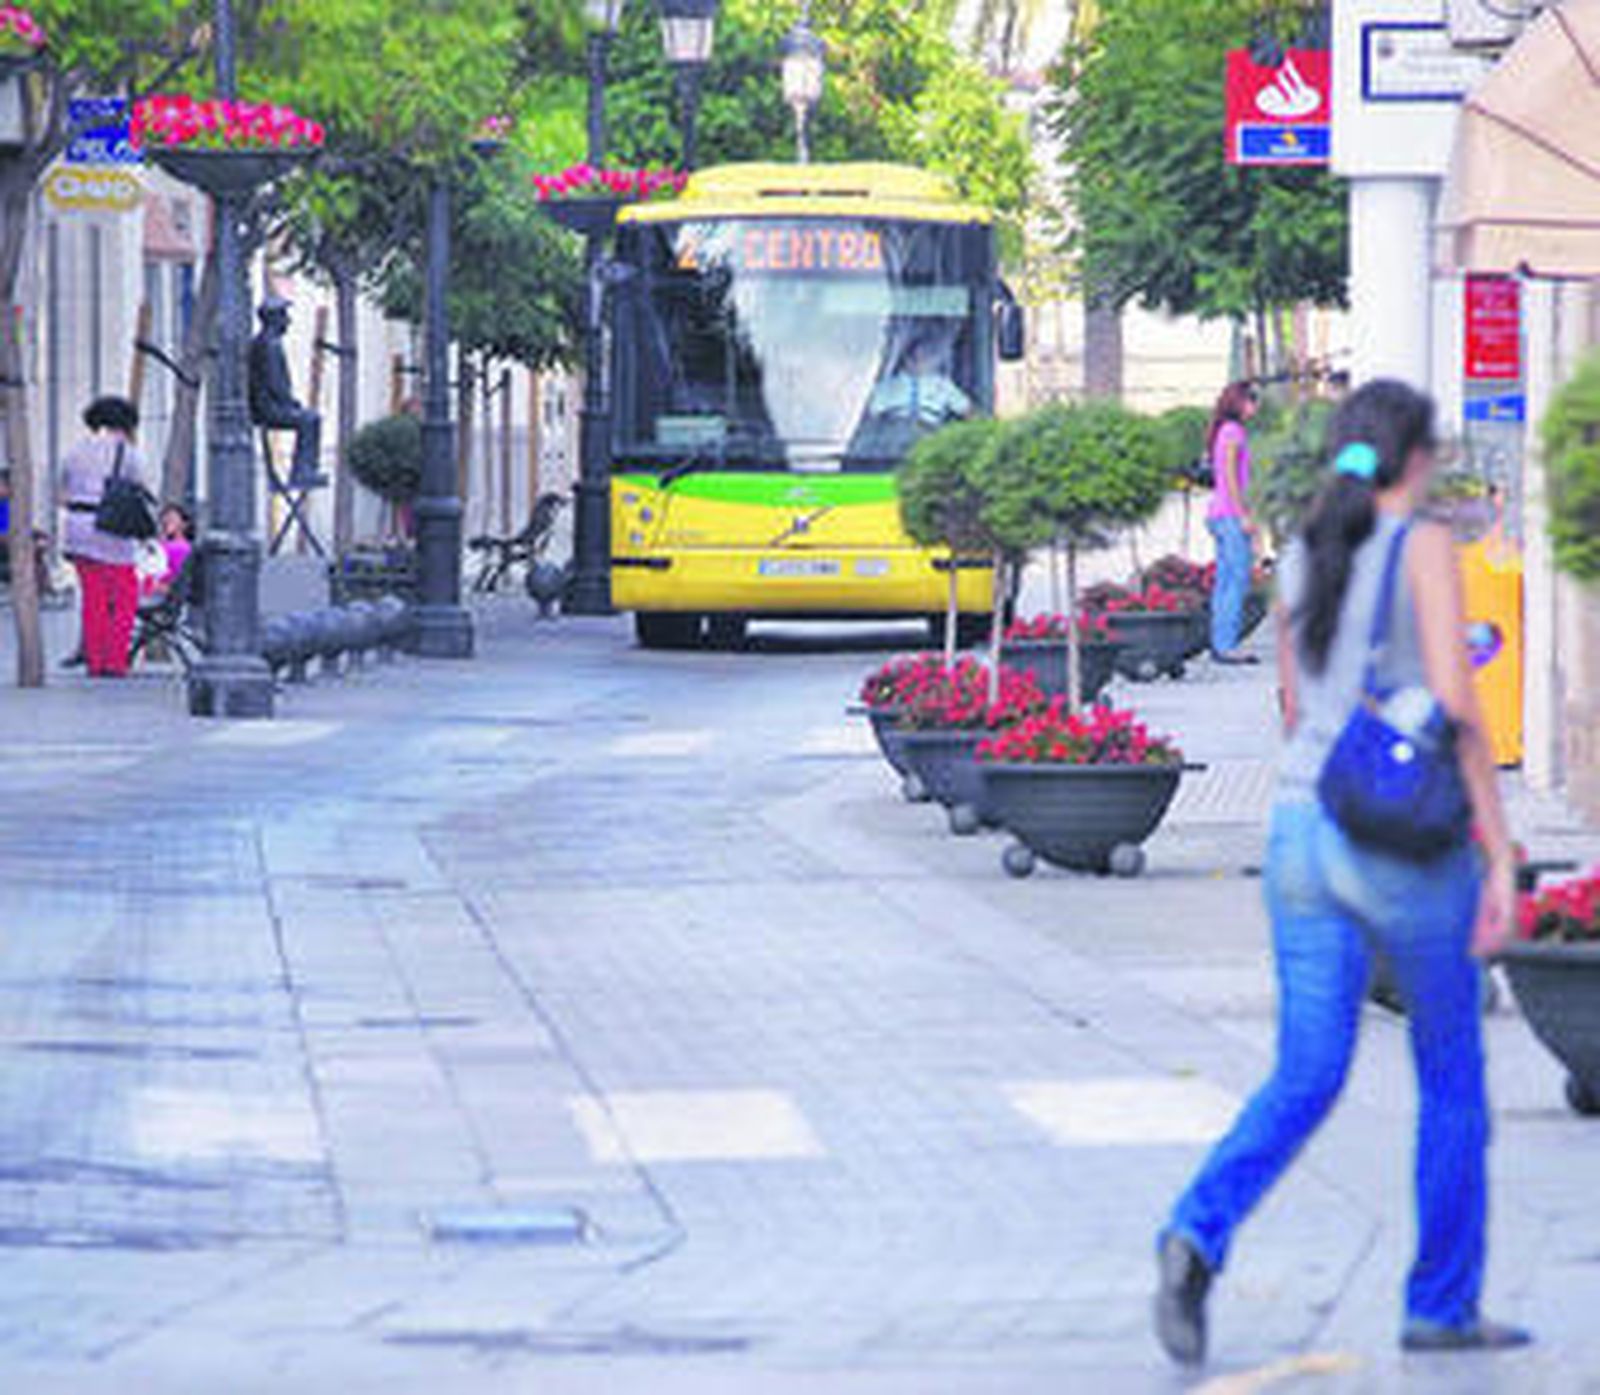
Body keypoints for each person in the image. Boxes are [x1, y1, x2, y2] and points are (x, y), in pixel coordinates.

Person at [1154, 380, 1529, 1365]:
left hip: (1296, 833)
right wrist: (1498, 847)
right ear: (1416, 459)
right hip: (1401, 846)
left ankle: (1197, 1229)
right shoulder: (1422, 549)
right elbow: (1457, 706)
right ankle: (1439, 1304)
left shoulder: (1308, 557)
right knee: (1449, 1070)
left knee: (1308, 1071)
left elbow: (1292, 704)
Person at [60, 396, 148, 678]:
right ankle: (115, 661)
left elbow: (61, 491)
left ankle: (95, 661)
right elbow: (140, 487)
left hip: (77, 528)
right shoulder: (129, 453)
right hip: (112, 530)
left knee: (93, 598)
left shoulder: (74, 451)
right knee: (124, 597)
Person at [248, 293, 326, 489]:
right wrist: (290, 402)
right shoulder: (270, 345)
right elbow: (276, 384)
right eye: (284, 316)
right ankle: (302, 471)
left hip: (264, 405)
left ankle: (302, 470)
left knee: (308, 417)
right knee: (311, 419)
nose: (288, 321)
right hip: (268, 408)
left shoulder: (263, 341)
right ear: (274, 319)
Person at [1206, 381, 1260, 664]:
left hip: (1220, 514)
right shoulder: (1233, 432)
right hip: (1229, 515)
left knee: (1226, 580)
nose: (1256, 405)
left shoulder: (1225, 431)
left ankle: (1221, 642)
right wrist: (1244, 516)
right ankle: (1226, 645)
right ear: (1238, 402)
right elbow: (1228, 477)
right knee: (1236, 580)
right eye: (1252, 399)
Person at [140, 503, 195, 600]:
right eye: (164, 517)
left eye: (171, 517)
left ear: (184, 524)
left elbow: (178, 582)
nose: (166, 520)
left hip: (158, 598)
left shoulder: (181, 547)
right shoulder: (164, 544)